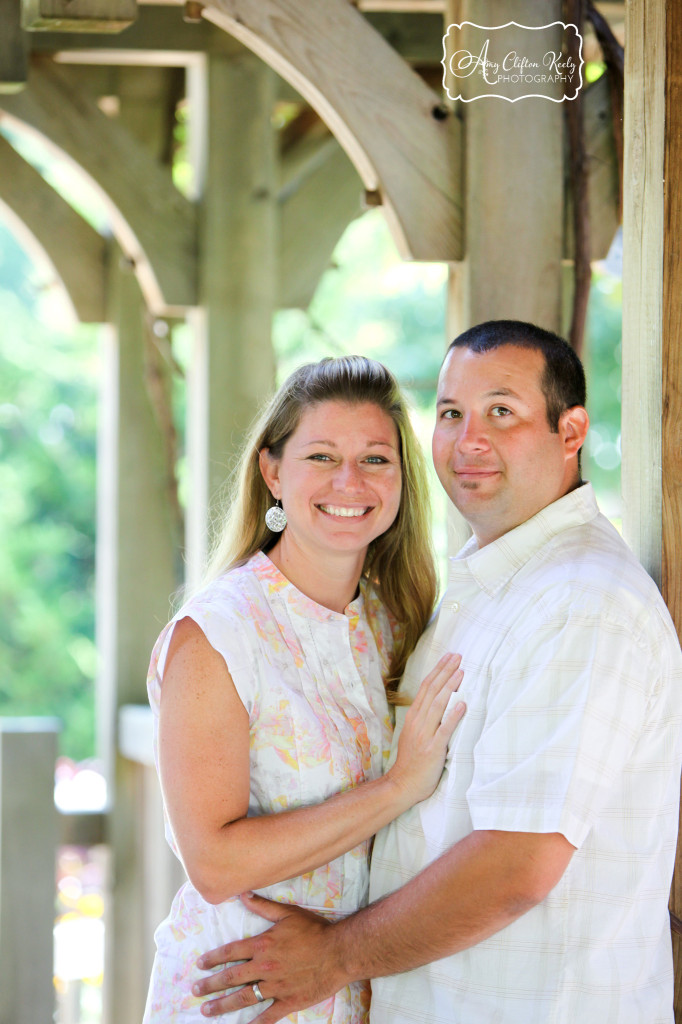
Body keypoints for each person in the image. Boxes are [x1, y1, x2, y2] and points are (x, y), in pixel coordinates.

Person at [193, 320, 682, 1024]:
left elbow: (517, 864)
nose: (469, 440)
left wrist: (333, 957)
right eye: (452, 413)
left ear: (570, 431)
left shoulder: (583, 604)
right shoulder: (483, 592)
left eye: (502, 413)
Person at [142, 354, 467, 1023]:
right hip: (240, 992)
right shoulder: (217, 636)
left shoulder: (395, 621)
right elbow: (214, 862)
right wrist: (398, 787)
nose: (350, 480)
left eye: (376, 459)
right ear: (272, 472)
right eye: (321, 456)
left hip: (357, 987)